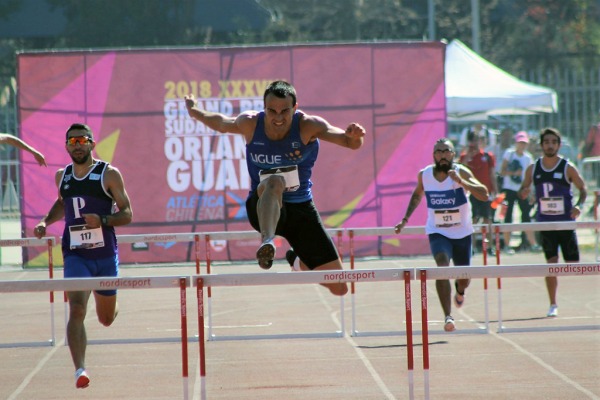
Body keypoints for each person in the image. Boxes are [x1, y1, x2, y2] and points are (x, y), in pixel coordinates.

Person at [184, 80, 365, 296]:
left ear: (295, 108)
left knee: (339, 287)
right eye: (272, 111)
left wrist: (355, 137)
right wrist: (194, 111)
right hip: (262, 208)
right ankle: (267, 243)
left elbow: (348, 142)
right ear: (263, 108)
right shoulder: (251, 123)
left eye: (284, 111)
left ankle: (296, 262)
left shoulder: (309, 126)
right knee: (275, 181)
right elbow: (221, 123)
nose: (278, 118)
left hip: (300, 210)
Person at [33, 123, 133, 388]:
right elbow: (63, 203)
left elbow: (127, 213)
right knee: (76, 309)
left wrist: (102, 219)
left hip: (104, 255)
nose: (77, 146)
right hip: (76, 255)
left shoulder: (108, 174)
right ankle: (80, 369)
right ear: (66, 146)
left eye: (82, 141)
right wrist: (44, 221)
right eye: (72, 142)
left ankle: (111, 300)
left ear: (92, 143)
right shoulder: (62, 176)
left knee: (105, 319)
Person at [395, 138, 489, 332]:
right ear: (434, 155)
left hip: (462, 232)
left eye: (447, 151)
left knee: (464, 277)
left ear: (453, 154)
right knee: (442, 265)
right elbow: (416, 196)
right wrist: (405, 219)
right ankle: (448, 316)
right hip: (438, 231)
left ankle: (460, 290)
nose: (443, 155)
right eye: (439, 152)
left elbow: (484, 194)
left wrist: (461, 182)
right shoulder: (425, 175)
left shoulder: (461, 171)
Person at [518, 127, 587, 317]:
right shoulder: (533, 168)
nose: (550, 145)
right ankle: (553, 303)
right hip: (545, 224)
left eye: (553, 142)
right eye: (546, 142)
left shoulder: (567, 167)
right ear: (541, 145)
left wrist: (579, 205)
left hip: (565, 222)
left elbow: (583, 189)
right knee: (551, 264)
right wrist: (525, 193)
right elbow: (523, 189)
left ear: (558, 145)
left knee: (573, 264)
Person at [459, 131, 498, 253]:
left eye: (477, 140)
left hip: (485, 192)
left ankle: (490, 246)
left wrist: (495, 190)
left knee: (488, 219)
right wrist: (467, 156)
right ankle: (473, 246)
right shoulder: (464, 156)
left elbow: (492, 173)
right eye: (473, 140)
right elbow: (458, 170)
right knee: (473, 219)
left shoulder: (487, 156)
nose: (475, 143)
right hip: (471, 192)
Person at [500, 131, 538, 254]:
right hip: (509, 189)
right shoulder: (509, 154)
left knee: (526, 215)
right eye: (520, 143)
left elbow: (531, 176)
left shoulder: (528, 158)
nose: (522, 145)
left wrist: (531, 192)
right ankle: (507, 245)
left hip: (522, 189)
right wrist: (514, 173)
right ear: (516, 143)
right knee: (508, 216)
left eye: (524, 143)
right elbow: (502, 171)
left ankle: (532, 244)